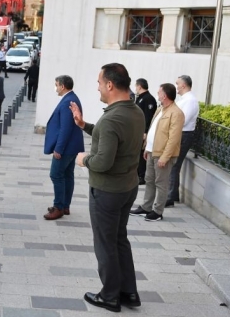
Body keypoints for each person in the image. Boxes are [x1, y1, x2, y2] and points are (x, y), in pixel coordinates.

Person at [70, 63, 145, 313]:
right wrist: (85, 126)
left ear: (110, 85)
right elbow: (110, 137)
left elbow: (103, 160)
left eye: (100, 83)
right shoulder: (134, 111)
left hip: (107, 192)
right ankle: (129, 292)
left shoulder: (113, 117)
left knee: (105, 243)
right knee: (119, 239)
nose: (98, 87)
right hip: (127, 188)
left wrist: (83, 160)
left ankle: (110, 296)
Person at [130, 83, 184, 222]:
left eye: (159, 92)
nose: (157, 94)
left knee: (161, 183)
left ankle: (158, 211)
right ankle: (146, 207)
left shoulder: (176, 113)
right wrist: (147, 148)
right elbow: (153, 129)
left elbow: (174, 138)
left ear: (165, 95)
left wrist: (165, 157)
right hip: (152, 151)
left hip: (163, 155)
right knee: (149, 180)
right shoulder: (160, 109)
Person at [43, 75, 84, 220]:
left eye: (56, 85)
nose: (55, 88)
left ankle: (59, 207)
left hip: (66, 148)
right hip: (72, 146)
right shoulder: (71, 98)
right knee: (67, 175)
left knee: (56, 174)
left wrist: (58, 149)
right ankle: (65, 205)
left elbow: (66, 128)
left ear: (63, 86)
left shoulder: (68, 101)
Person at [167, 75, 199, 207]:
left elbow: (182, 119)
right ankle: (172, 195)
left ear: (184, 85)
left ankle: (170, 196)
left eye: (177, 83)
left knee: (174, 164)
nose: (176, 86)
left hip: (184, 134)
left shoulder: (190, 101)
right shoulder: (184, 99)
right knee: (173, 164)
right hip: (180, 134)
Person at [134, 78, 157, 185]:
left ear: (139, 86)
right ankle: (137, 173)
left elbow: (148, 117)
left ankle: (141, 176)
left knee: (141, 154)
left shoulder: (149, 99)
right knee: (137, 153)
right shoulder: (140, 98)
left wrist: (145, 132)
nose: (135, 88)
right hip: (137, 130)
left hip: (143, 131)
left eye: (136, 86)